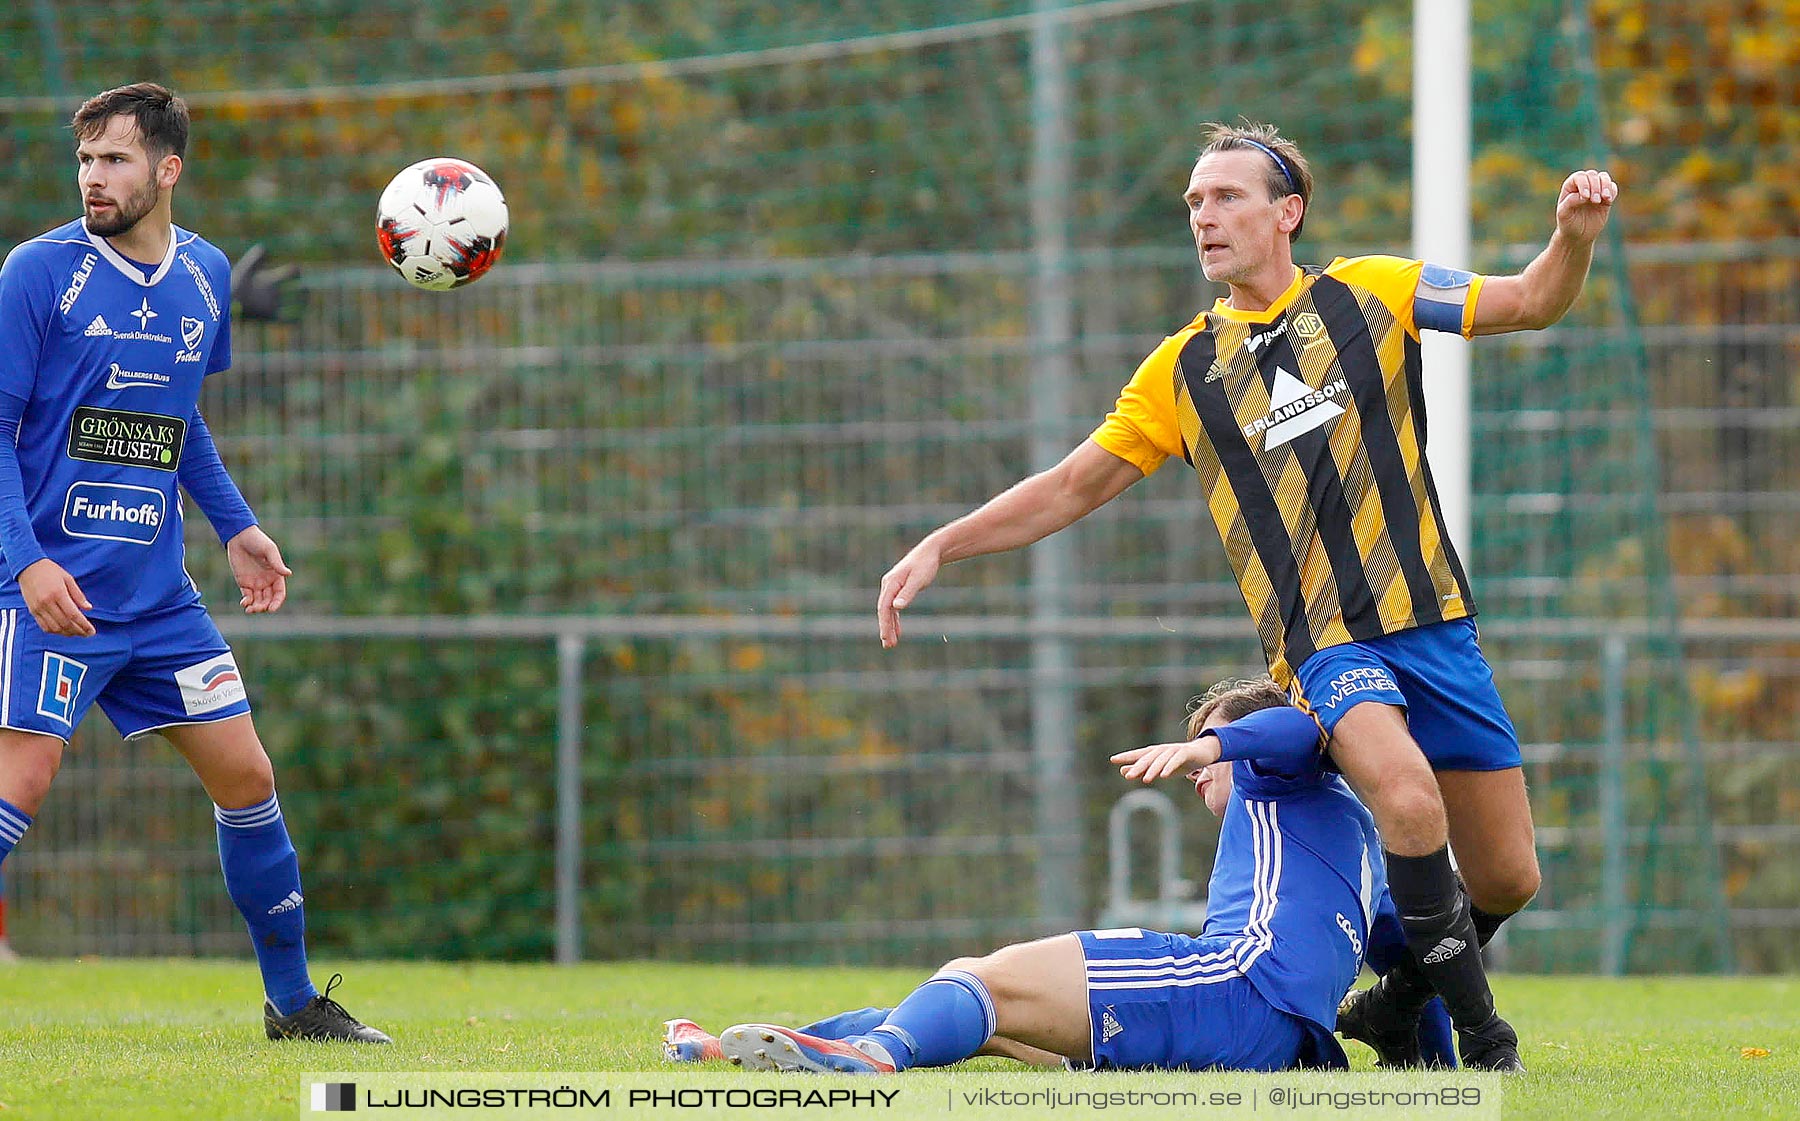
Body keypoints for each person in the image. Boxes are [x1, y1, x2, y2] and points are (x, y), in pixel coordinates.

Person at [877, 120, 1620, 1071]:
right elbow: (1069, 485)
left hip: (1436, 629)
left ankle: (1396, 1003)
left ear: (1287, 212)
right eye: (1193, 201)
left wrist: (1573, 238)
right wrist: (946, 541)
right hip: (1326, 652)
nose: (1203, 216)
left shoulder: (1372, 293)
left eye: (1226, 196)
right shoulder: (1184, 370)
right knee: (1404, 795)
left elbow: (1528, 302)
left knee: (1510, 874)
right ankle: (1486, 1041)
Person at [0, 82, 386, 1043]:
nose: (94, 177)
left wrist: (237, 526)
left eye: (116, 160)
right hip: (54, 593)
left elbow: (179, 422)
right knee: (23, 786)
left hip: (160, 600)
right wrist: (27, 565)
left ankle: (293, 1006)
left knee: (248, 778)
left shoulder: (206, 273)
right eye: (86, 159)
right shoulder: (37, 274)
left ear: (167, 170)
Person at [663, 678, 1456, 1073]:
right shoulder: (1364, 843)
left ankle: (873, 1057)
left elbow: (1291, 727)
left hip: (1234, 987)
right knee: (1001, 1027)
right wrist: (1439, 1075)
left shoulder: (1282, 771)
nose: (1195, 770)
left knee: (982, 976)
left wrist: (1214, 745)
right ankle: (760, 1043)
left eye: (1211, 749)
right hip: (1281, 1042)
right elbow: (1414, 974)